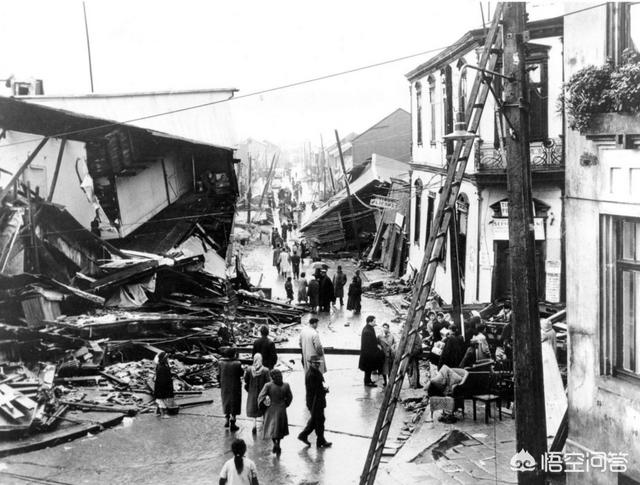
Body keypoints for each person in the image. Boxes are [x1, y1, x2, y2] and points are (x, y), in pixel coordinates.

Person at [297, 355, 332, 448]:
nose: (317, 364)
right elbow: (316, 390)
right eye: (315, 363)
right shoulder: (311, 375)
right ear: (311, 363)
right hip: (315, 402)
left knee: (316, 420)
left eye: (318, 363)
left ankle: (305, 436)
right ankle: (320, 440)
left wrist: (323, 389)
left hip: (316, 401)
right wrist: (324, 390)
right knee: (319, 420)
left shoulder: (314, 372)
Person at [258, 369, 293, 455]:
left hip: (271, 409)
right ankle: (279, 443)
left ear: (272, 377)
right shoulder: (286, 385)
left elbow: (261, 396)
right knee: (280, 429)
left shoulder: (268, 385)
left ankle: (275, 444)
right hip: (282, 409)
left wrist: (263, 405)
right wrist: (285, 404)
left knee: (272, 428)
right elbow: (290, 397)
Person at [244, 353, 271, 435]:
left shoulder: (249, 369)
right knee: (263, 407)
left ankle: (254, 425)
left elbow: (246, 380)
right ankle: (264, 422)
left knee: (254, 408)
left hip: (252, 392)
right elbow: (268, 382)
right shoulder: (265, 370)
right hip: (262, 392)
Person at [219, 347, 243, 432]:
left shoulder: (221, 363)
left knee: (226, 402)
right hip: (235, 386)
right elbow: (241, 373)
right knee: (234, 402)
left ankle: (226, 419)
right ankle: (233, 421)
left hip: (225, 386)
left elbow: (219, 375)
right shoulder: (237, 363)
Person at [359, 315, 382, 387]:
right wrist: (377, 346)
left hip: (368, 353)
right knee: (368, 369)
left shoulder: (368, 328)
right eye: (374, 321)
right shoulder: (367, 331)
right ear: (370, 322)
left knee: (368, 369)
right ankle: (367, 382)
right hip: (368, 354)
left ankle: (368, 380)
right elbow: (370, 344)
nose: (375, 323)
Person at [153, 351, 175, 418]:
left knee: (161, 399)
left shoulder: (163, 365)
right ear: (163, 359)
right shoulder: (161, 367)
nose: (167, 359)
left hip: (163, 384)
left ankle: (158, 412)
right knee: (162, 399)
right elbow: (162, 379)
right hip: (162, 385)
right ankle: (163, 414)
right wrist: (167, 386)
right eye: (166, 358)